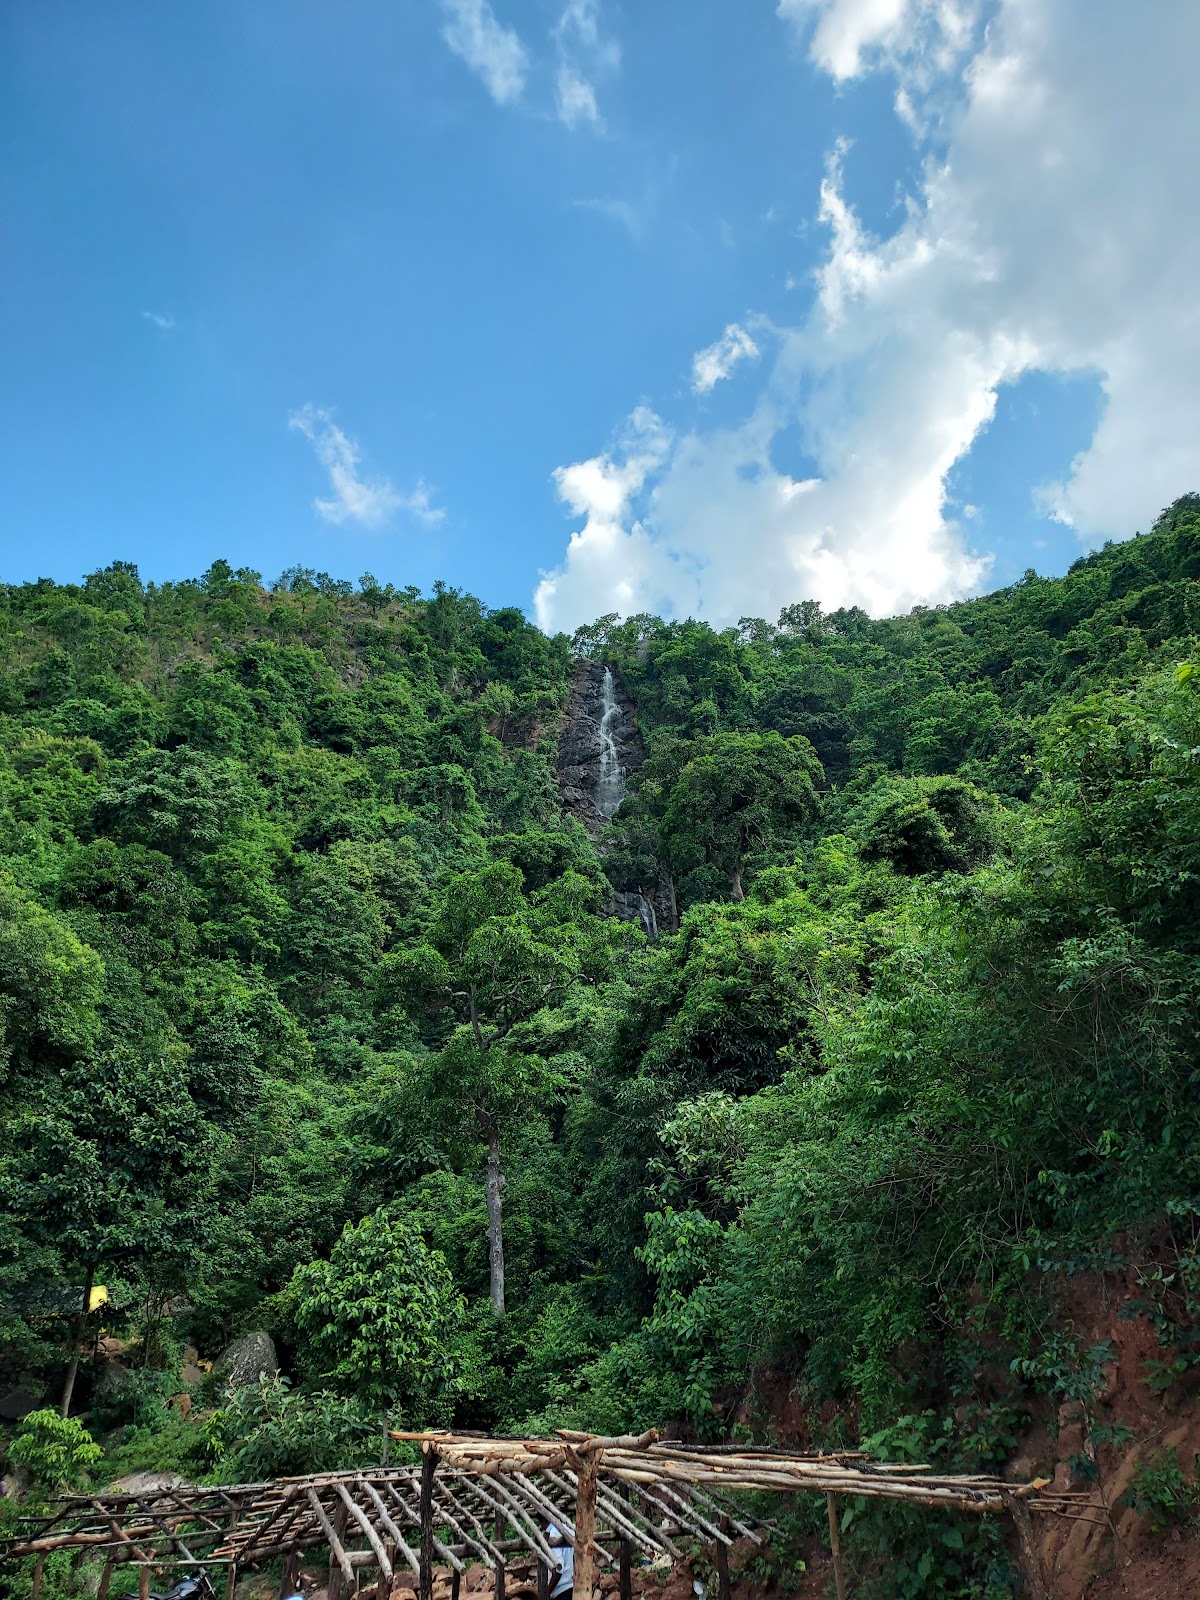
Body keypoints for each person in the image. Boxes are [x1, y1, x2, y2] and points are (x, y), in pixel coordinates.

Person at [545, 1522, 573, 1599]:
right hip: (570, 1586)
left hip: (560, 1591)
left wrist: (547, 1593)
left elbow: (559, 1569)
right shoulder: (567, 1529)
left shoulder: (552, 1534)